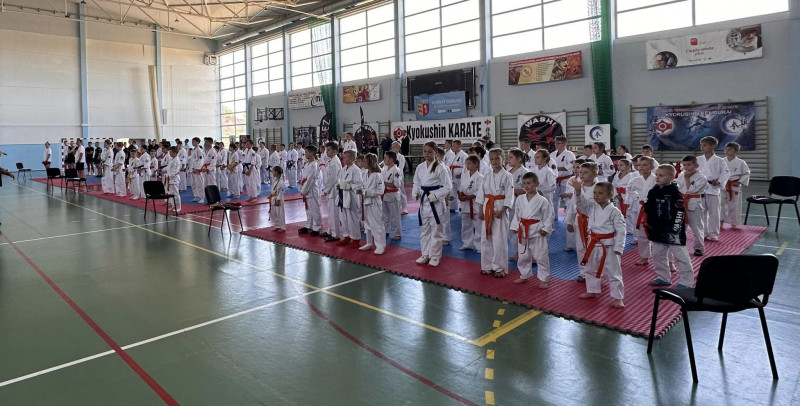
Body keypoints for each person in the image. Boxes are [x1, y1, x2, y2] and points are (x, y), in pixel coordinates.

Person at [572, 180, 626, 308]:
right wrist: (578, 191)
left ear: (610, 195)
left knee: (614, 272)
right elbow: (581, 205)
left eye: (600, 193)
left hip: (609, 246)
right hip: (593, 243)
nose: (596, 195)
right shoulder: (592, 207)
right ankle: (592, 290)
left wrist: (619, 247)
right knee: (590, 269)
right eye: (595, 193)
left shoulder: (615, 212)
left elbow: (621, 231)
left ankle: (618, 298)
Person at [645, 165, 695, 289]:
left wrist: (676, 228)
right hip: (657, 229)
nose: (657, 177)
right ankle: (663, 277)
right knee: (657, 254)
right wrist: (649, 224)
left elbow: (680, 212)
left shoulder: (675, 193)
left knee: (681, 256)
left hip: (673, 230)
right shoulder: (653, 191)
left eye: (661, 175)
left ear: (672, 177)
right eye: (657, 175)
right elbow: (649, 209)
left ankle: (686, 282)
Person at [511, 172, 554, 288]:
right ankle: (524, 275)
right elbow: (517, 214)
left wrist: (546, 228)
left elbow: (548, 216)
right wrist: (515, 226)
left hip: (537, 231)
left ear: (536, 184)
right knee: (523, 255)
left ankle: (544, 278)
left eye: (529, 183)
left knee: (541, 256)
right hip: (523, 229)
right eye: (524, 183)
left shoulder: (542, 200)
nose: (526, 186)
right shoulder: (520, 199)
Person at [412, 141, 451, 266]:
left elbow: (448, 186)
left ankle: (435, 256)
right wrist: (415, 192)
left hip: (436, 203)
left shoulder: (441, 167)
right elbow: (416, 182)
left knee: (436, 231)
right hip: (424, 202)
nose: (427, 154)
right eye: (425, 151)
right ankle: (425, 254)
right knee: (424, 230)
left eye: (430, 152)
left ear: (435, 152)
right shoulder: (420, 167)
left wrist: (436, 195)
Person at [478, 147, 514, 277]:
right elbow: (481, 193)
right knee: (486, 237)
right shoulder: (487, 175)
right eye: (492, 159)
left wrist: (502, 210)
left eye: (497, 159)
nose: (494, 161)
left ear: (503, 159)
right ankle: (487, 265)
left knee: (499, 239)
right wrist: (480, 210)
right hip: (487, 207)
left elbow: (510, 195)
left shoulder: (508, 176)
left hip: (500, 208)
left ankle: (499, 268)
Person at [569, 162, 599, 282]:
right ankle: (583, 273)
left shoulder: (599, 188)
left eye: (586, 172)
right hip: (579, 220)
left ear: (595, 174)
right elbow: (573, 205)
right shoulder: (578, 186)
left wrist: (578, 192)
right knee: (581, 248)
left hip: (595, 222)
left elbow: (590, 206)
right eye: (581, 172)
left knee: (594, 248)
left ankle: (596, 272)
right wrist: (570, 221)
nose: (581, 174)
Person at [696, 136, 730, 242]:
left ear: (713, 146)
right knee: (701, 212)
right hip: (700, 189)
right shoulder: (698, 159)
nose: (702, 147)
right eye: (701, 145)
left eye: (705, 145)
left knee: (714, 213)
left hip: (713, 188)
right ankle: (703, 233)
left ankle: (713, 234)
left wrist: (719, 182)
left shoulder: (720, 161)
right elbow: (693, 173)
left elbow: (726, 173)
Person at [628, 156, 657, 265]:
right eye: (639, 165)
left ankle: (667, 260)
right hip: (640, 208)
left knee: (657, 235)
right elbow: (629, 189)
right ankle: (644, 257)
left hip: (655, 210)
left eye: (644, 165)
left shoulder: (657, 179)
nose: (641, 167)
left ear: (652, 167)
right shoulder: (635, 180)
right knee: (641, 235)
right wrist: (637, 198)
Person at [677, 155, 708, 256]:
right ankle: (679, 246)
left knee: (697, 227)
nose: (686, 167)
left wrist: (686, 178)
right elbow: (677, 187)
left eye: (689, 165)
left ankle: (699, 248)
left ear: (696, 165)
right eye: (684, 165)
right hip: (681, 204)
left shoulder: (702, 178)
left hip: (695, 205)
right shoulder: (681, 175)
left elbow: (691, 190)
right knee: (680, 227)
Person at [357, 153, 387, 254]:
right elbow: (363, 186)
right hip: (366, 202)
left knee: (377, 224)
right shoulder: (365, 174)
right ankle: (369, 242)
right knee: (367, 223)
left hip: (375, 203)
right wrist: (361, 190)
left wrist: (366, 192)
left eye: (365, 161)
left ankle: (380, 245)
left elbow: (380, 191)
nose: (363, 163)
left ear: (370, 162)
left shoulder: (377, 175)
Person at [335, 150, 364, 248]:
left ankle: (356, 239)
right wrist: (339, 185)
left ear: (352, 158)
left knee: (352, 219)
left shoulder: (356, 170)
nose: (343, 159)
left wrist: (347, 186)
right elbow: (340, 181)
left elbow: (359, 185)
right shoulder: (343, 169)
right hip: (342, 196)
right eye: (343, 157)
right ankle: (346, 236)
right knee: (343, 218)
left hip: (351, 197)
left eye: (345, 157)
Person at [506, 148, 529, 262]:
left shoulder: (525, 172)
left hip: (520, 204)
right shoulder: (507, 170)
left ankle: (524, 252)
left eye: (511, 157)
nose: (508, 160)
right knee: (511, 229)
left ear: (519, 159)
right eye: (508, 157)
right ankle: (516, 251)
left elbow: (528, 189)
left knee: (520, 228)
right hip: (508, 204)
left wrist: (512, 191)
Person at [722, 142, 750, 229]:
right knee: (720, 204)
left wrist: (739, 182)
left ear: (736, 151)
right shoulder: (721, 161)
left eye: (729, 149)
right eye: (726, 149)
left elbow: (746, 173)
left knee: (734, 205)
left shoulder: (741, 162)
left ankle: (734, 223)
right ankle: (720, 222)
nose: (727, 151)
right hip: (722, 185)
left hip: (734, 185)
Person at [458, 155, 483, 253]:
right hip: (465, 204)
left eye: (469, 163)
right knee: (466, 225)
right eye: (466, 164)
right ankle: (467, 243)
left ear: (476, 164)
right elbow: (461, 187)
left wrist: (468, 197)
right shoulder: (464, 175)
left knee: (478, 225)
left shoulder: (480, 177)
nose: (467, 165)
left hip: (475, 204)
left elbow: (479, 191)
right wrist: (460, 194)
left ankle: (479, 245)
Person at [563, 159, 586, 253]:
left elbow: (581, 195)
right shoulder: (571, 179)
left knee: (578, 226)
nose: (575, 169)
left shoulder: (585, 181)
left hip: (580, 206)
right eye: (574, 167)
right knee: (569, 225)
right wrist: (566, 195)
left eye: (578, 167)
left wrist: (569, 195)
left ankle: (580, 246)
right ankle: (570, 244)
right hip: (569, 204)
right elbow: (568, 190)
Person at [298, 145, 322, 236]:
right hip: (306, 187)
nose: (305, 154)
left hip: (311, 189)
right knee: (308, 209)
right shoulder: (307, 164)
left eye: (306, 152)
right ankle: (309, 225)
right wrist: (302, 188)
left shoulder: (314, 165)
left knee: (314, 209)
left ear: (311, 153)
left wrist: (303, 191)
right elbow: (304, 178)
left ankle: (317, 227)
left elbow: (310, 179)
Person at [322, 141, 343, 242]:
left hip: (334, 189)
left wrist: (326, 189)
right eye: (326, 150)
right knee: (330, 212)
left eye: (329, 150)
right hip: (331, 189)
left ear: (335, 151)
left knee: (334, 213)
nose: (327, 152)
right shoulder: (331, 161)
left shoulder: (335, 162)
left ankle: (336, 234)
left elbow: (333, 179)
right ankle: (330, 230)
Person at [531, 149, 556, 227]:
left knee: (547, 210)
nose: (535, 159)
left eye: (538, 157)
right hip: (534, 195)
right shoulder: (533, 170)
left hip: (545, 195)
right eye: (535, 157)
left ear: (545, 159)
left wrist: (541, 190)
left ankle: (549, 225)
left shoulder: (549, 171)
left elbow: (553, 187)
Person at [552, 136, 575, 221]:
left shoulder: (569, 154)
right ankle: (554, 217)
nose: (556, 145)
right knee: (554, 199)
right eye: (555, 143)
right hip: (555, 179)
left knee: (567, 199)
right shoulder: (552, 154)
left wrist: (556, 168)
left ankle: (568, 218)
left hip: (566, 180)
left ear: (565, 144)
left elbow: (569, 167)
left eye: (558, 143)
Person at [610, 158, 636, 235]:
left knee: (628, 213)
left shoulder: (632, 175)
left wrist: (624, 195)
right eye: (618, 165)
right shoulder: (617, 175)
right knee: (618, 212)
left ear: (628, 166)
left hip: (627, 196)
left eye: (621, 165)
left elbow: (632, 187)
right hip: (618, 195)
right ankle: (620, 227)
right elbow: (613, 185)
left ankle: (630, 229)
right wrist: (617, 194)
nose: (619, 167)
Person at [381, 151, 403, 241]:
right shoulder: (384, 169)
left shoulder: (396, 170)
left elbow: (396, 184)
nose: (384, 160)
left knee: (395, 215)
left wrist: (384, 183)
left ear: (391, 159)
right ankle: (386, 231)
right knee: (384, 215)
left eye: (385, 158)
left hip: (393, 195)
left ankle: (397, 233)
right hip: (384, 194)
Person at [434, 148, 453, 246]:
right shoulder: (433, 167)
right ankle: (437, 236)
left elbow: (449, 185)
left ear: (442, 157)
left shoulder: (445, 168)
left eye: (437, 156)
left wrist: (447, 197)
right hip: (435, 195)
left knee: (445, 218)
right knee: (435, 218)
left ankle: (446, 237)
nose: (435, 157)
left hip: (444, 195)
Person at [391, 141, 408, 215]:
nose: (393, 148)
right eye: (392, 147)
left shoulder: (401, 157)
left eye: (394, 147)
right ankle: (395, 207)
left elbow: (400, 167)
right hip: (390, 176)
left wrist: (394, 172)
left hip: (399, 176)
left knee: (401, 191)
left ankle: (404, 207)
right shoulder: (389, 156)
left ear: (398, 147)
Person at [163, 146, 182, 212]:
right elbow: (168, 168)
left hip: (174, 179)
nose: (169, 153)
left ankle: (178, 207)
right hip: (170, 179)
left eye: (170, 152)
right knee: (171, 193)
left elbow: (175, 171)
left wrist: (169, 175)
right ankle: (173, 206)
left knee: (175, 194)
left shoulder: (177, 160)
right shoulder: (172, 159)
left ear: (174, 152)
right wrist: (162, 170)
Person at [270, 166, 286, 232]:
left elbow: (281, 191)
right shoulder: (275, 180)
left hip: (278, 198)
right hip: (274, 198)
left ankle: (282, 227)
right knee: (275, 213)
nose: (272, 173)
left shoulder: (281, 182)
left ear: (276, 172)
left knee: (280, 213)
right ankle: (277, 226)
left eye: (273, 171)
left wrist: (278, 199)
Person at [189, 137, 205, 203]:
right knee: (193, 184)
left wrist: (198, 169)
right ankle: (196, 196)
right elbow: (192, 160)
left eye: (194, 141)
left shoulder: (199, 150)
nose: (193, 143)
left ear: (198, 142)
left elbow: (201, 160)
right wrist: (191, 168)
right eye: (192, 141)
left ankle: (202, 198)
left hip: (197, 169)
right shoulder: (193, 150)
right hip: (192, 168)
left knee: (199, 184)